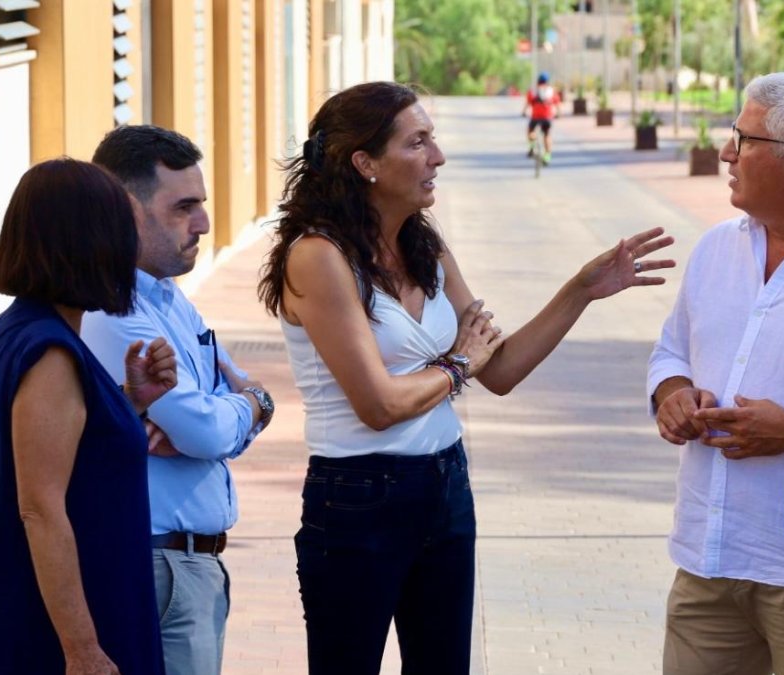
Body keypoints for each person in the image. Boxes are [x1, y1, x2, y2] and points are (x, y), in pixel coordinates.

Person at [256, 80, 674, 674]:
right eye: (418, 142)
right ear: (365, 163)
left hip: (445, 486)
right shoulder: (318, 257)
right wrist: (456, 366)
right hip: (357, 499)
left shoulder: (424, 244)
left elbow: (498, 369)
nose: (439, 157)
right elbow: (378, 404)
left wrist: (581, 290)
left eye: (435, 139)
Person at [646, 70, 784, 675]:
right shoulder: (716, 247)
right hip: (705, 562)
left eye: (742, 139)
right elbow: (672, 352)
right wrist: (672, 394)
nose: (725, 151)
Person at [0, 158, 176, 674]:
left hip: (65, 613)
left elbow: (72, 454)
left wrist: (130, 400)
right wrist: (82, 650)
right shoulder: (49, 351)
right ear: (91, 241)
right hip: (66, 630)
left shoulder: (19, 333)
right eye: (125, 229)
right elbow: (40, 509)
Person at [82, 125, 276, 675]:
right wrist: (246, 408)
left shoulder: (167, 297)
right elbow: (209, 430)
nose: (205, 224)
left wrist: (248, 402)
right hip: (160, 563)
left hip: (187, 564)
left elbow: (228, 398)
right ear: (125, 208)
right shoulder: (115, 313)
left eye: (202, 204)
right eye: (183, 207)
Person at [523, 72, 561, 164]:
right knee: (547, 135)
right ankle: (547, 156)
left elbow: (527, 104)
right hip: (547, 118)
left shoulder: (533, 91)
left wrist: (523, 112)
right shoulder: (552, 91)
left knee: (530, 130)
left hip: (535, 117)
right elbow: (557, 105)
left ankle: (532, 146)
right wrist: (558, 114)